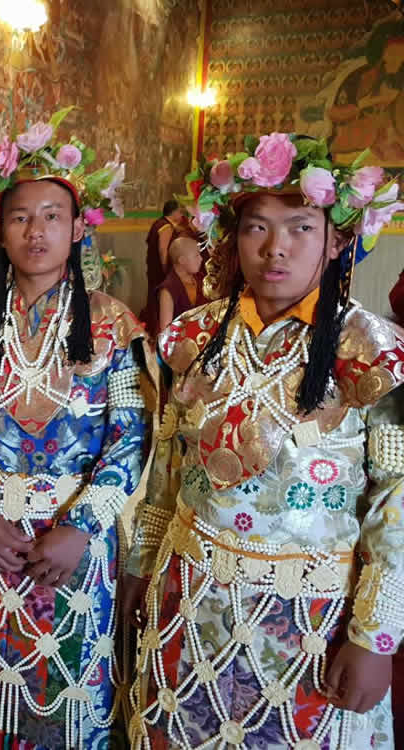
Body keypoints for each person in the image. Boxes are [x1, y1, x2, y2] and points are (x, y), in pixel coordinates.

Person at [125, 133, 404, 749]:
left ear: (336, 241)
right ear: (233, 238)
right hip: (190, 594)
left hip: (310, 616)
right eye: (257, 227)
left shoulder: (371, 352)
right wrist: (142, 565)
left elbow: (398, 503)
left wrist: (374, 638)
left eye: (301, 228)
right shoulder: (195, 336)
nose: (276, 248)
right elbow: (168, 464)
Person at [0, 115, 156, 749]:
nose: (36, 231)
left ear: (79, 228)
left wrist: (79, 528)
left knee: (64, 699)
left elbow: (130, 438)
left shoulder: (115, 329)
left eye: (53, 216)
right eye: (21, 217)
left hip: (74, 548)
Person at [143, 199, 196, 330]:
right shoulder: (165, 227)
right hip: (160, 270)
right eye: (180, 212)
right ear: (174, 212)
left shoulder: (158, 223)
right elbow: (163, 250)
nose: (181, 215)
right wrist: (166, 270)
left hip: (153, 267)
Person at [156, 236, 206, 331]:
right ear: (182, 260)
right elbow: (165, 329)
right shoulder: (168, 289)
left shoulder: (201, 279)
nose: (201, 259)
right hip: (181, 338)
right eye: (196, 256)